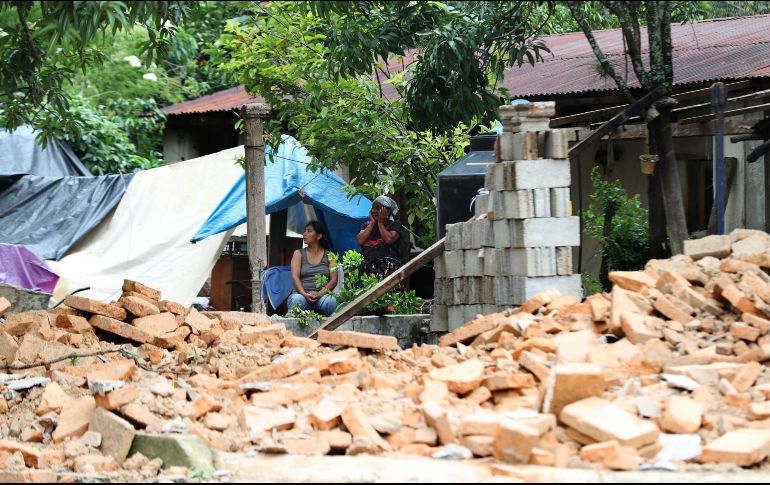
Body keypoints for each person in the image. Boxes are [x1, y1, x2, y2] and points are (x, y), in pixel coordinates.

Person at [287, 221, 339, 316]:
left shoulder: (330, 256)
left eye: (309, 231)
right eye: (305, 231)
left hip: (322, 296)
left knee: (332, 302)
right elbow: (295, 277)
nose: (304, 234)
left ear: (319, 236)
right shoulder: (298, 253)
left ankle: (333, 329)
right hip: (302, 296)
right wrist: (304, 294)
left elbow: (334, 280)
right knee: (296, 299)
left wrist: (319, 294)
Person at [356, 195, 407, 279]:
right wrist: (372, 223)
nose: (374, 210)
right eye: (373, 208)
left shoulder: (395, 225)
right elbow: (360, 240)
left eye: (378, 208)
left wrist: (380, 222)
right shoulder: (367, 225)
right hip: (368, 269)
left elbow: (389, 239)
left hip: (388, 269)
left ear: (388, 211)